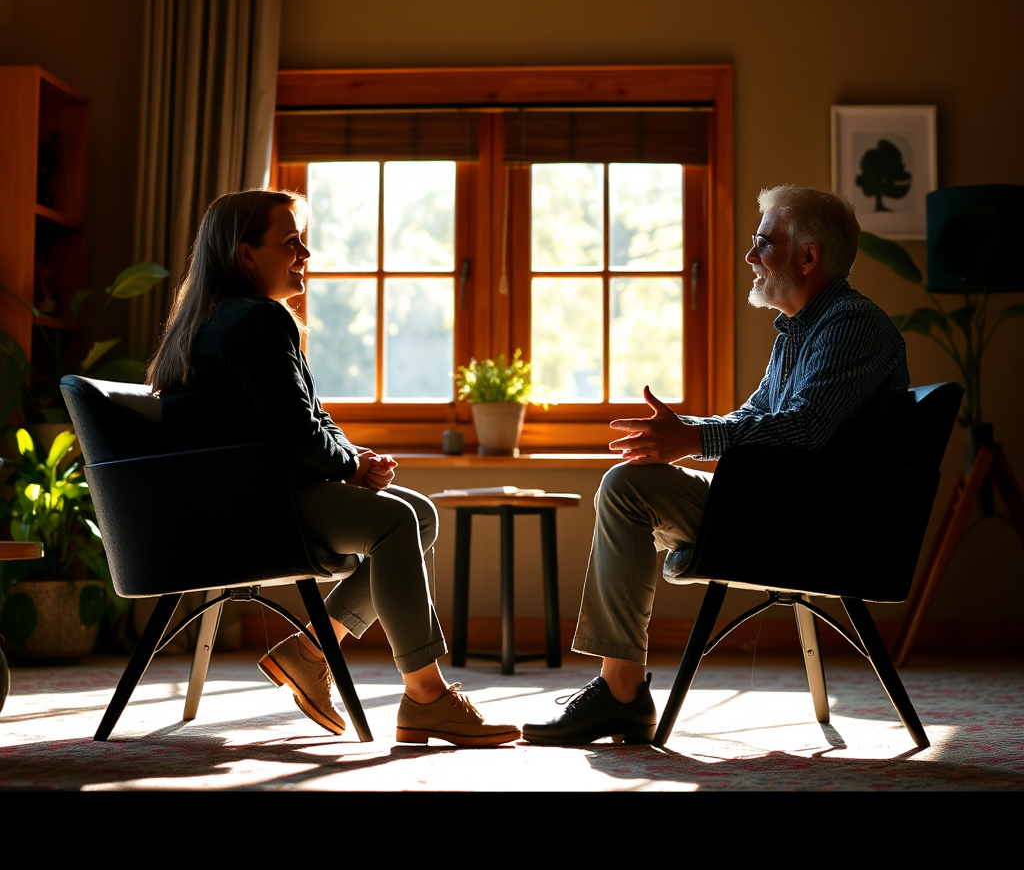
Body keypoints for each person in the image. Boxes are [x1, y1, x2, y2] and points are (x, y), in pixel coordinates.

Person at [522, 185, 910, 745]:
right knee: (631, 482)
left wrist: (694, 437)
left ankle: (621, 694)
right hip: (784, 509)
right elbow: (757, 418)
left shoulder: (852, 326)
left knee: (627, 487)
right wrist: (686, 434)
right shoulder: (800, 332)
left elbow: (803, 428)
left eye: (763, 242)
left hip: (821, 528)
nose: (750, 257)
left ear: (808, 257)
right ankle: (620, 689)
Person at [149, 189, 519, 746]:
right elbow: (298, 435)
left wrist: (354, 460)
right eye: (291, 242)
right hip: (250, 508)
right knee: (399, 520)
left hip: (232, 500)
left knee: (417, 514)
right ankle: (427, 696)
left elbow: (309, 418)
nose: (305, 255)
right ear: (245, 255)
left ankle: (309, 653)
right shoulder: (258, 321)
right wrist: (349, 467)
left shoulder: (214, 321)